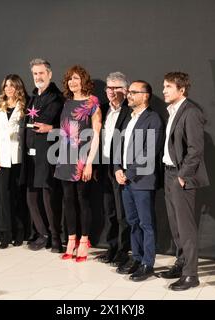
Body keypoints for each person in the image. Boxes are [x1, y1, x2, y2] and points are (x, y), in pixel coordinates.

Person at [159, 72, 209, 290]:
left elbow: (196, 149)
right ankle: (181, 264)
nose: (164, 90)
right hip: (168, 173)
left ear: (182, 90)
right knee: (175, 225)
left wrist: (182, 176)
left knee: (186, 228)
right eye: (164, 86)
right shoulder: (172, 111)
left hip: (182, 176)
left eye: (169, 86)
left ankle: (191, 275)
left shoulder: (191, 112)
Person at [114, 80, 164, 282]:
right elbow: (119, 145)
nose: (129, 95)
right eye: (129, 92)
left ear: (146, 96)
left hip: (142, 180)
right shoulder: (129, 118)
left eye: (134, 92)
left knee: (146, 223)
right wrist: (117, 168)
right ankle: (136, 258)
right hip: (125, 179)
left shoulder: (154, 119)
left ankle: (147, 263)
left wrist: (130, 172)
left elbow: (149, 151)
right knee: (132, 222)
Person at [54, 65, 102, 262]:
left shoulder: (92, 102)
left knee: (83, 199)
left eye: (76, 78)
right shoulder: (66, 102)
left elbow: (97, 134)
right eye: (69, 79)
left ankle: (84, 241)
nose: (72, 82)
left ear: (83, 80)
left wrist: (90, 162)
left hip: (83, 157)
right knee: (68, 200)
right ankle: (71, 240)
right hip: (64, 157)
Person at [23, 58, 64, 252]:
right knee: (31, 196)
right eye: (35, 74)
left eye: (41, 73)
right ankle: (43, 234)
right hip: (31, 154)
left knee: (49, 197)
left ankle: (56, 238)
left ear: (49, 74)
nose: (38, 77)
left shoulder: (57, 97)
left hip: (48, 153)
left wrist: (51, 128)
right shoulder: (33, 97)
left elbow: (50, 123)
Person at [0, 74, 28, 249]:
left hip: (18, 158)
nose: (9, 89)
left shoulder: (25, 107)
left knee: (18, 196)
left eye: (12, 85)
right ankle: (5, 233)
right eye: (6, 86)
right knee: (3, 197)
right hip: (1, 160)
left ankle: (20, 232)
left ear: (18, 87)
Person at [96, 72, 131, 266]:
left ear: (125, 90)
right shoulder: (102, 109)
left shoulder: (130, 110)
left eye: (117, 87)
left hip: (121, 168)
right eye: (109, 87)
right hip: (104, 166)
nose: (112, 91)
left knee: (122, 213)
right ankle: (112, 247)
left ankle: (124, 251)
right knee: (109, 210)